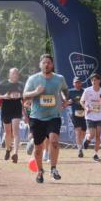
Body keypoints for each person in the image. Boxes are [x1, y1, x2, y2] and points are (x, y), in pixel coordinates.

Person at [23, 54, 70, 183]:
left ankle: (53, 168)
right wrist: (36, 92)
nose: (46, 65)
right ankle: (40, 171)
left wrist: (65, 100)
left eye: (49, 62)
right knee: (38, 148)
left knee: (54, 141)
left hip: (53, 116)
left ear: (52, 65)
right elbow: (25, 95)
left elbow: (65, 90)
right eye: (44, 62)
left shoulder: (59, 78)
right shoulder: (33, 79)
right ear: (40, 65)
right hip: (37, 118)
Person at [0, 68, 24, 163]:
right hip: (6, 109)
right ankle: (8, 149)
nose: (15, 75)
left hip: (17, 109)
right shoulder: (4, 84)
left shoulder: (21, 85)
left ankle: (15, 153)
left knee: (16, 131)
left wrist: (23, 98)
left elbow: (25, 97)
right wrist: (4, 96)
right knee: (7, 133)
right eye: (13, 73)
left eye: (17, 73)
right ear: (9, 75)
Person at [80, 73, 101, 162]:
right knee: (92, 134)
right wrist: (86, 108)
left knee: (98, 135)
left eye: (95, 80)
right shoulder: (87, 91)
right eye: (92, 80)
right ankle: (87, 139)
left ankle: (96, 154)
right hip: (90, 116)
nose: (93, 81)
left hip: (100, 116)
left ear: (99, 81)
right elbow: (81, 101)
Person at [68, 76, 88, 158]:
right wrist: (68, 102)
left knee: (83, 132)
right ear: (73, 83)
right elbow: (65, 101)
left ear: (81, 83)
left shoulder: (85, 91)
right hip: (75, 114)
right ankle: (79, 149)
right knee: (78, 131)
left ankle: (81, 144)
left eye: (79, 82)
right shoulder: (70, 92)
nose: (77, 84)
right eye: (76, 82)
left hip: (84, 114)